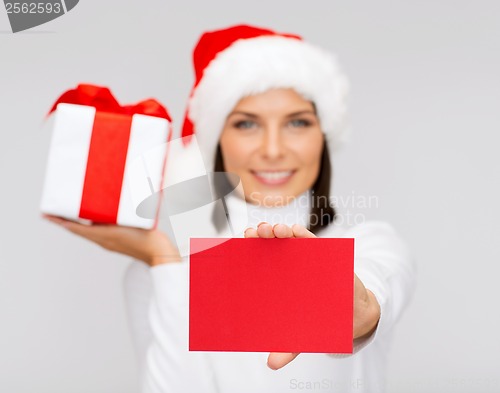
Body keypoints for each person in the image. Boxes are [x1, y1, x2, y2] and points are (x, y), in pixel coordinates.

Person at [43, 24, 416, 393]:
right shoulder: (165, 270)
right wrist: (162, 259)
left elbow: (372, 285)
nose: (273, 149)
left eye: (297, 122)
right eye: (247, 124)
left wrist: (359, 311)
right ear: (217, 139)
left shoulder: (368, 243)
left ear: (323, 135)